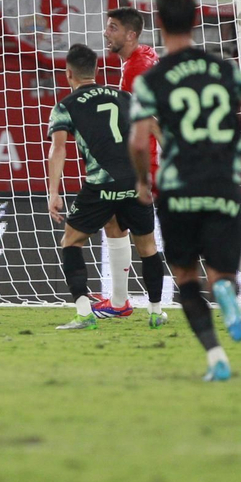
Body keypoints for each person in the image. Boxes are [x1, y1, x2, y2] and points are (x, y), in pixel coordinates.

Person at [129, 0, 241, 381]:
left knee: (186, 278)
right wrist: (235, 154)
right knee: (220, 273)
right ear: (197, 19)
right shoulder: (225, 68)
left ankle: (216, 358)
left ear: (158, 23)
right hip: (222, 184)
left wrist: (143, 182)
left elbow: (139, 141)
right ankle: (226, 290)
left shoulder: (152, 78)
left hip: (177, 187)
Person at [45, 44, 156, 331]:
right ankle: (152, 310)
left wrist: (53, 193)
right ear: (95, 70)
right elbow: (156, 127)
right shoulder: (124, 96)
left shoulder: (65, 105)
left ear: (68, 73)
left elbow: (59, 150)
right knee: (143, 243)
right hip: (134, 182)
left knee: (71, 242)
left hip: (101, 185)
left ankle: (84, 312)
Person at [96, 6, 176, 322]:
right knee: (115, 221)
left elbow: (152, 119)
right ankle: (120, 301)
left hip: (151, 162)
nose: (106, 32)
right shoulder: (143, 56)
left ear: (131, 34)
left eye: (113, 27)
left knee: (176, 232)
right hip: (148, 159)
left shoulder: (135, 70)